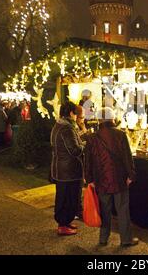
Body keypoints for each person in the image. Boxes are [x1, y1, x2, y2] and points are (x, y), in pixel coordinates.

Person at [85, 107, 139, 247]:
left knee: (104, 210)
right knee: (122, 210)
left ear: (99, 120)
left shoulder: (92, 138)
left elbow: (88, 161)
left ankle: (103, 238)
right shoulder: (120, 135)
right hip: (119, 178)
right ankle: (126, 239)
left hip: (100, 180)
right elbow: (127, 157)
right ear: (112, 118)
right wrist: (131, 175)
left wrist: (89, 179)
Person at [50, 101, 85, 236]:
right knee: (68, 198)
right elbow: (75, 150)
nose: (77, 117)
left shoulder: (60, 125)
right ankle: (63, 224)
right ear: (71, 113)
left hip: (62, 169)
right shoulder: (67, 128)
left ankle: (65, 222)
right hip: (68, 171)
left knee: (65, 197)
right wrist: (85, 146)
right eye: (77, 114)